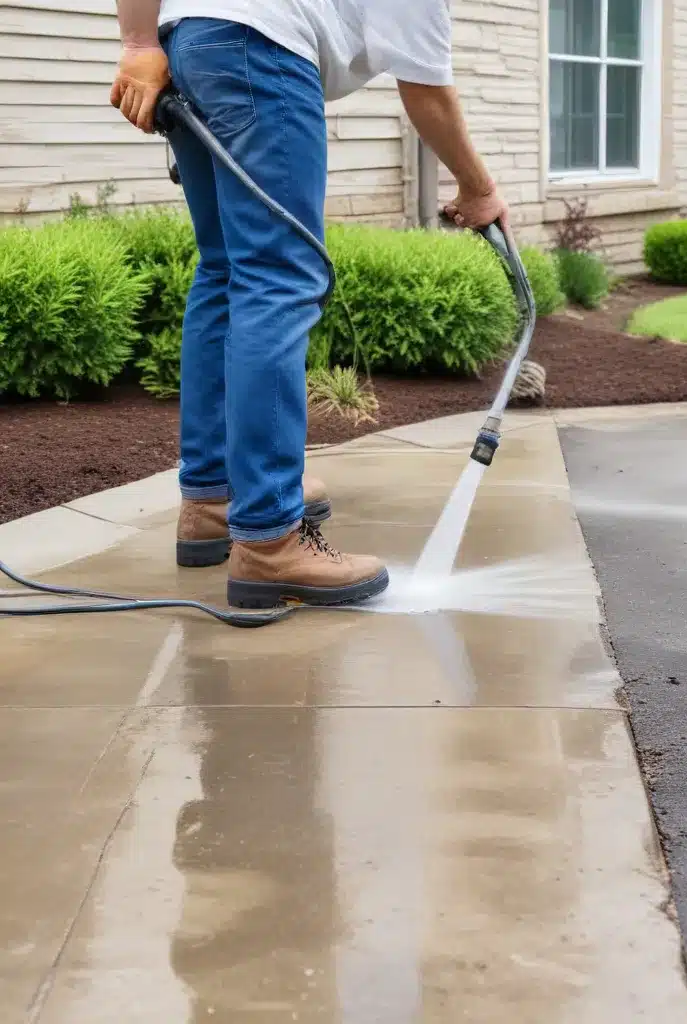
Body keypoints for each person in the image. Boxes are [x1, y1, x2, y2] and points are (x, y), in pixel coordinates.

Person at [110, 0, 509, 609]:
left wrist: (140, 44)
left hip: (193, 42)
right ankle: (270, 540)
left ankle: (214, 499)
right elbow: (427, 93)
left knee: (225, 270)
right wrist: (479, 189)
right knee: (277, 279)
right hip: (259, 53)